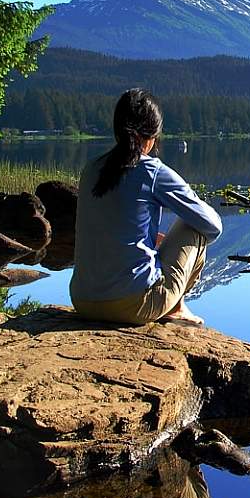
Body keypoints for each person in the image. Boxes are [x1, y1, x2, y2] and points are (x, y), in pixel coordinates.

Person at [70, 89, 222, 325]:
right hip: (132, 307)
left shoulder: (91, 168)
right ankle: (177, 307)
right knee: (194, 227)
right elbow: (212, 226)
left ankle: (171, 303)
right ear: (152, 136)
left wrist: (152, 240)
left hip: (82, 300)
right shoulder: (152, 171)